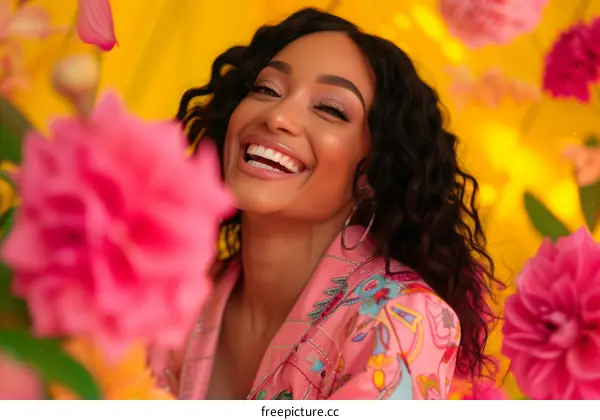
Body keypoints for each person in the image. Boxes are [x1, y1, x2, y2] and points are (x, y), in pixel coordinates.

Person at [149, 8, 497, 400]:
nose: (278, 116)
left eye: (330, 109)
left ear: (372, 175)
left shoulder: (402, 321)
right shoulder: (173, 289)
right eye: (266, 89)